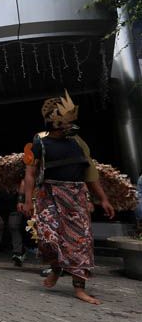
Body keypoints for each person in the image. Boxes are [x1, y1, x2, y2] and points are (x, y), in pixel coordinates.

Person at [19, 91, 115, 305]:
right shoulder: (39, 143)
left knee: (80, 242)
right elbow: (29, 173)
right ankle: (56, 266)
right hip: (48, 196)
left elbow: (91, 174)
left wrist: (103, 199)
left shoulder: (78, 143)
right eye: (67, 120)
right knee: (48, 239)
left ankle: (79, 288)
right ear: (55, 121)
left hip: (76, 197)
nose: (72, 124)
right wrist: (27, 200)